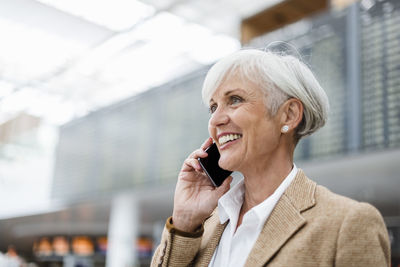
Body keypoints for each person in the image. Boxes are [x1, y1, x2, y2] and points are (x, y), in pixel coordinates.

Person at [151, 49, 390, 266]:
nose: (215, 120)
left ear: (289, 115)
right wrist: (184, 221)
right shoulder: (204, 225)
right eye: (213, 107)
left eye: (235, 99)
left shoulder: (348, 224)